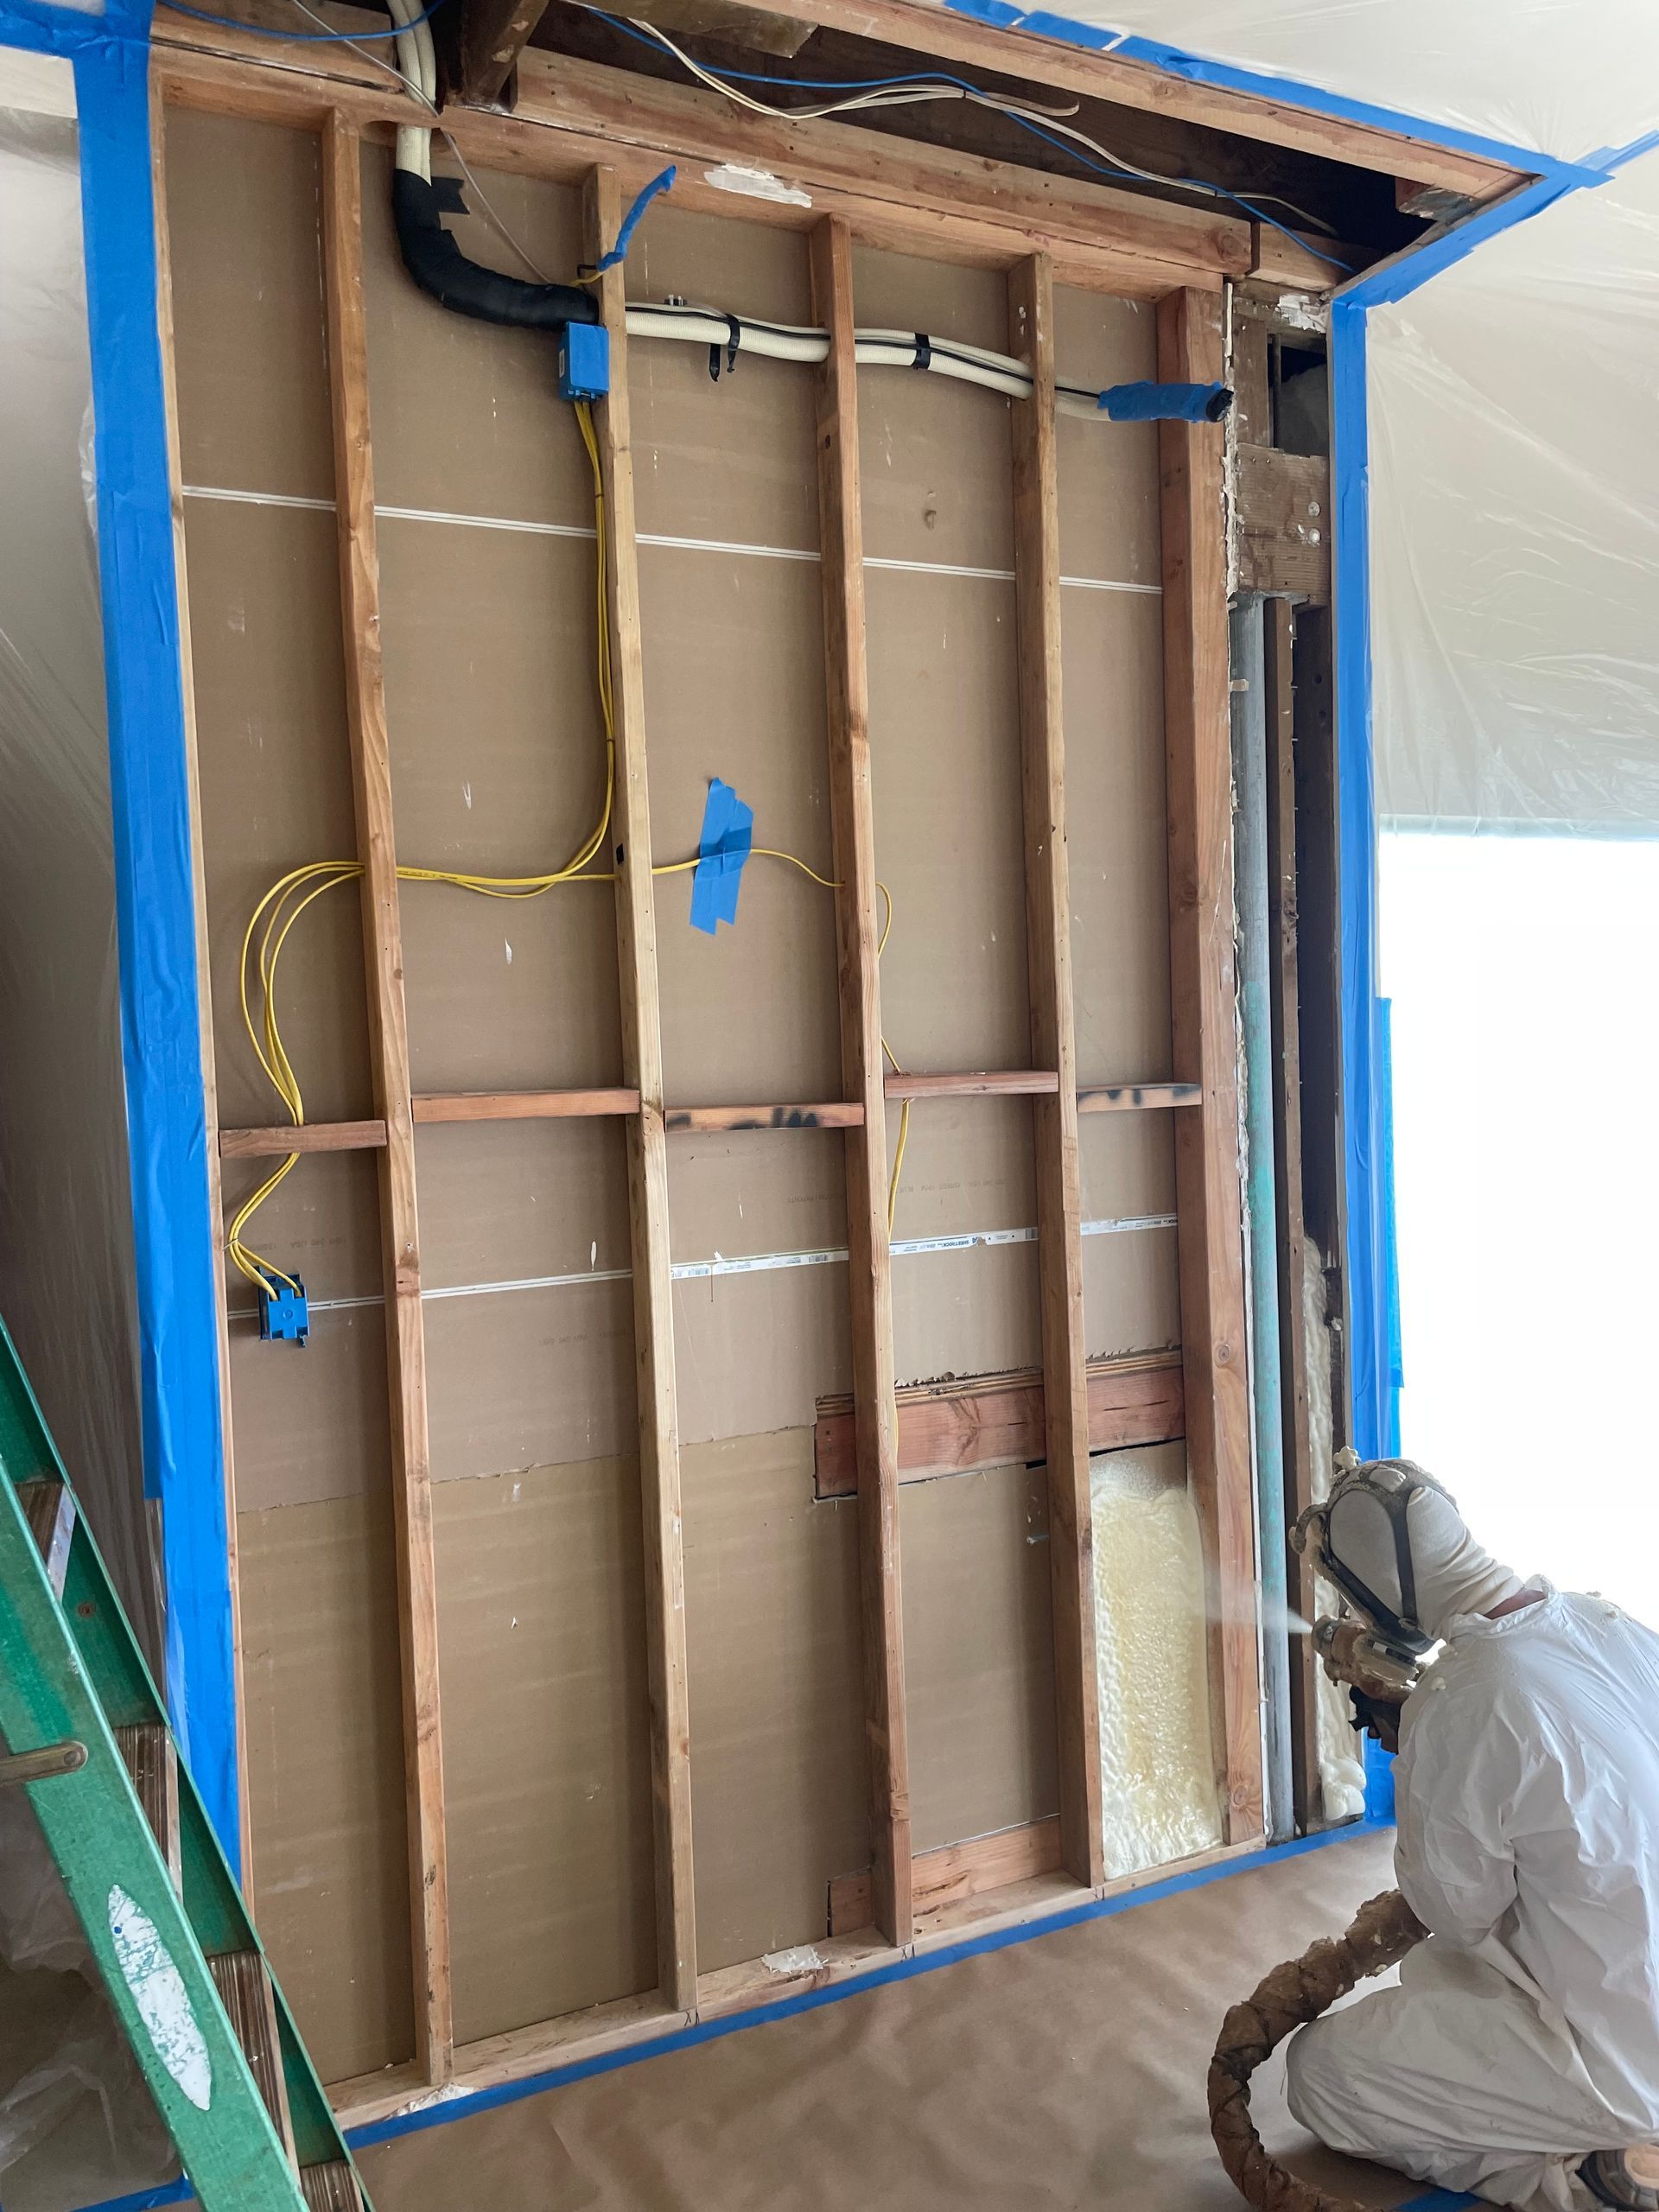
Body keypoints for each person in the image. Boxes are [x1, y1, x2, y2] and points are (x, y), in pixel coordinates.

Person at [1285, 1459, 1659, 2212]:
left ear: (1379, 1593)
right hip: (1638, 1987)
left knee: (1320, 2074)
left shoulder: (1464, 1697)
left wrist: (1416, 1752)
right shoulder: (1605, 1620)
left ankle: (1585, 2177)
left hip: (1624, 2053)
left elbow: (1454, 1913)